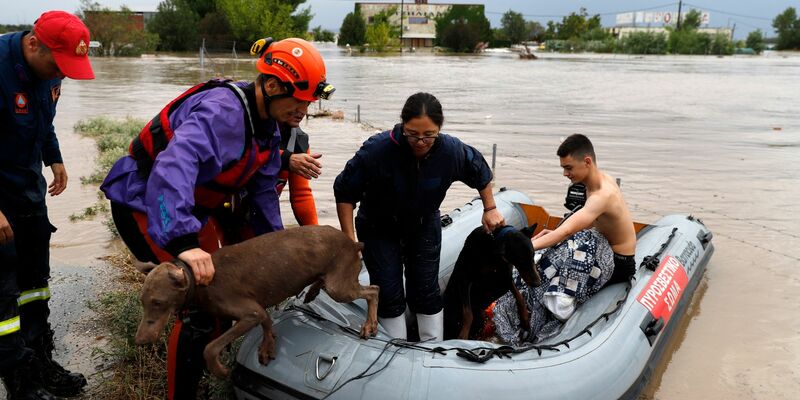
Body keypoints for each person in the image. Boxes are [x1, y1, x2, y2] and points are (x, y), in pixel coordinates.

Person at [99, 37, 333, 400]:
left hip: (190, 207)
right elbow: (173, 167)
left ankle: (205, 363)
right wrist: (184, 244)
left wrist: (283, 254)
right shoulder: (222, 110)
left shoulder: (269, 127)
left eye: (309, 101)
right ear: (272, 86)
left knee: (226, 288)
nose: (305, 109)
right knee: (201, 305)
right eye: (300, 100)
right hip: (146, 203)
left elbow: (262, 196)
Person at [334, 92, 504, 341]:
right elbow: (344, 192)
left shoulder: (450, 151)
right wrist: (350, 242)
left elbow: (479, 170)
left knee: (426, 289)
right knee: (389, 292)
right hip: (378, 227)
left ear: (439, 130)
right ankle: (394, 347)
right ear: (403, 125)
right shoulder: (378, 150)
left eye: (429, 135)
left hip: (423, 224)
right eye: (413, 134)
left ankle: (431, 347)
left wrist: (490, 208)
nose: (420, 141)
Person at [0, 10, 95, 400]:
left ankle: (39, 359)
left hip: (27, 190)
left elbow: (44, 120)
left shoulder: (50, 71)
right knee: (3, 293)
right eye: (59, 64)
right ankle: (17, 377)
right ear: (33, 44)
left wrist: (54, 157)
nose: (64, 72)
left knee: (35, 284)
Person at [532, 134, 637, 286]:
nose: (565, 174)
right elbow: (588, 222)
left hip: (618, 263)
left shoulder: (602, 195)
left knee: (549, 279)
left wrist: (528, 246)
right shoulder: (599, 181)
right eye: (563, 168)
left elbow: (565, 231)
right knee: (549, 256)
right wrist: (555, 235)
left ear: (587, 161)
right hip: (603, 248)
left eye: (569, 168)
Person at [277, 125, 321, 225]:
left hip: (265, 214)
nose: (300, 112)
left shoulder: (298, 140)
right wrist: (285, 159)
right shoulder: (245, 127)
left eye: (305, 108)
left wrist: (314, 233)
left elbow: (301, 195)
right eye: (291, 107)